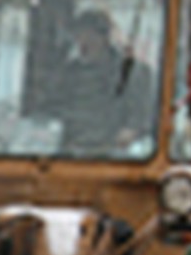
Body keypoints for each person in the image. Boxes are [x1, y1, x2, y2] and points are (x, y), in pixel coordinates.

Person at [51, 9, 154, 153]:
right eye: (79, 36)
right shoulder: (69, 73)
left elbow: (141, 120)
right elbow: (54, 111)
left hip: (112, 155)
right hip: (70, 153)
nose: (83, 42)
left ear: (105, 38)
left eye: (90, 37)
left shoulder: (132, 73)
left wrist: (131, 132)